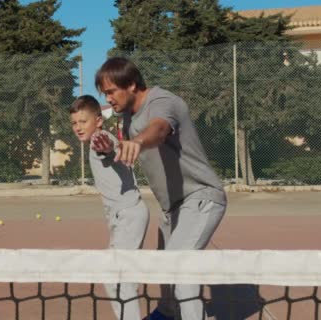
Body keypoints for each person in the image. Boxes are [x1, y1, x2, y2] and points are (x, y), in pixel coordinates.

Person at [93, 57, 227, 320]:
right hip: (172, 209)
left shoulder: (162, 101)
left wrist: (139, 141)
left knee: (180, 270)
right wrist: (113, 150)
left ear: (131, 84)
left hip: (201, 197)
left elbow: (159, 129)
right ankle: (166, 314)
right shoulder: (128, 118)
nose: (108, 99)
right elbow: (131, 150)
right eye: (104, 94)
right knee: (164, 275)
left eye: (111, 91)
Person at [70, 95, 150, 320]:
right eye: (74, 123)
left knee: (115, 279)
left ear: (98, 121)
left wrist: (105, 147)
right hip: (124, 217)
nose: (78, 127)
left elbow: (106, 149)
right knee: (122, 278)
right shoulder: (101, 138)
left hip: (128, 216)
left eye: (83, 122)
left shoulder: (101, 138)